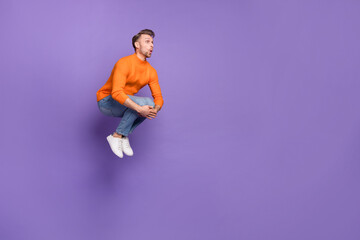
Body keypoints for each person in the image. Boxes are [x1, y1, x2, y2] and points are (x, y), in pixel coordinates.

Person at [96, 29, 164, 158]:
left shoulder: (151, 71)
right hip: (107, 101)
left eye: (153, 43)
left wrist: (155, 109)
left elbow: (159, 97)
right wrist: (140, 108)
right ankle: (116, 136)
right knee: (144, 104)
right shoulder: (124, 62)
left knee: (149, 105)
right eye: (147, 41)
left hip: (124, 104)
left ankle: (122, 135)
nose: (152, 45)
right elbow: (116, 93)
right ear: (137, 45)